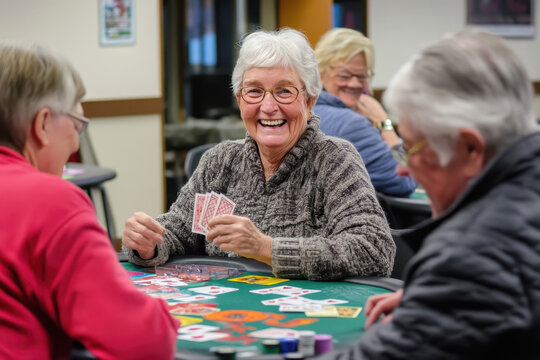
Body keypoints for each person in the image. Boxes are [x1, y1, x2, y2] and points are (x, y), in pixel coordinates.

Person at [122, 28, 395, 281]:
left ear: (309, 102)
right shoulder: (220, 161)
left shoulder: (334, 159)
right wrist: (149, 242)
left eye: (284, 91)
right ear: (240, 100)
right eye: (254, 91)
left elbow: (374, 249)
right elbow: (180, 230)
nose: (268, 106)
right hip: (227, 316)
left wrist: (266, 248)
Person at [359, 28, 540, 358]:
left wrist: (446, 296)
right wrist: (435, 303)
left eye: (412, 148)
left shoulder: (469, 262)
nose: (403, 168)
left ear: (471, 149)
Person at [0, 41, 179, 359]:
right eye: (76, 125)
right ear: (42, 124)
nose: (73, 144)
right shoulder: (50, 200)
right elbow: (144, 344)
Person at [314, 28, 416, 197]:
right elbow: (405, 179)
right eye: (345, 75)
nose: (354, 84)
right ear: (322, 73)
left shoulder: (304, 111)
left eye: (362, 76)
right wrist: (384, 123)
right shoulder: (351, 124)